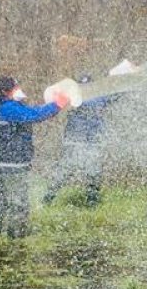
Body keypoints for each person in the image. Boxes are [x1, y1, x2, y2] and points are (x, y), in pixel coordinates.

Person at [0, 75, 71, 238]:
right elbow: (34, 114)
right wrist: (57, 104)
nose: (19, 89)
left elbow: (31, 111)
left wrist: (51, 105)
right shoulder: (9, 108)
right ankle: (16, 235)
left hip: (0, 163)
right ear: (6, 91)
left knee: (1, 200)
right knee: (19, 202)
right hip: (12, 165)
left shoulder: (3, 107)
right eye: (15, 88)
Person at [43, 76, 119, 207]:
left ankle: (50, 197)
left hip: (86, 140)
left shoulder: (76, 97)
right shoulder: (90, 97)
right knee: (83, 170)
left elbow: (116, 93)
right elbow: (116, 93)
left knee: (72, 170)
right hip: (80, 140)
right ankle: (89, 200)